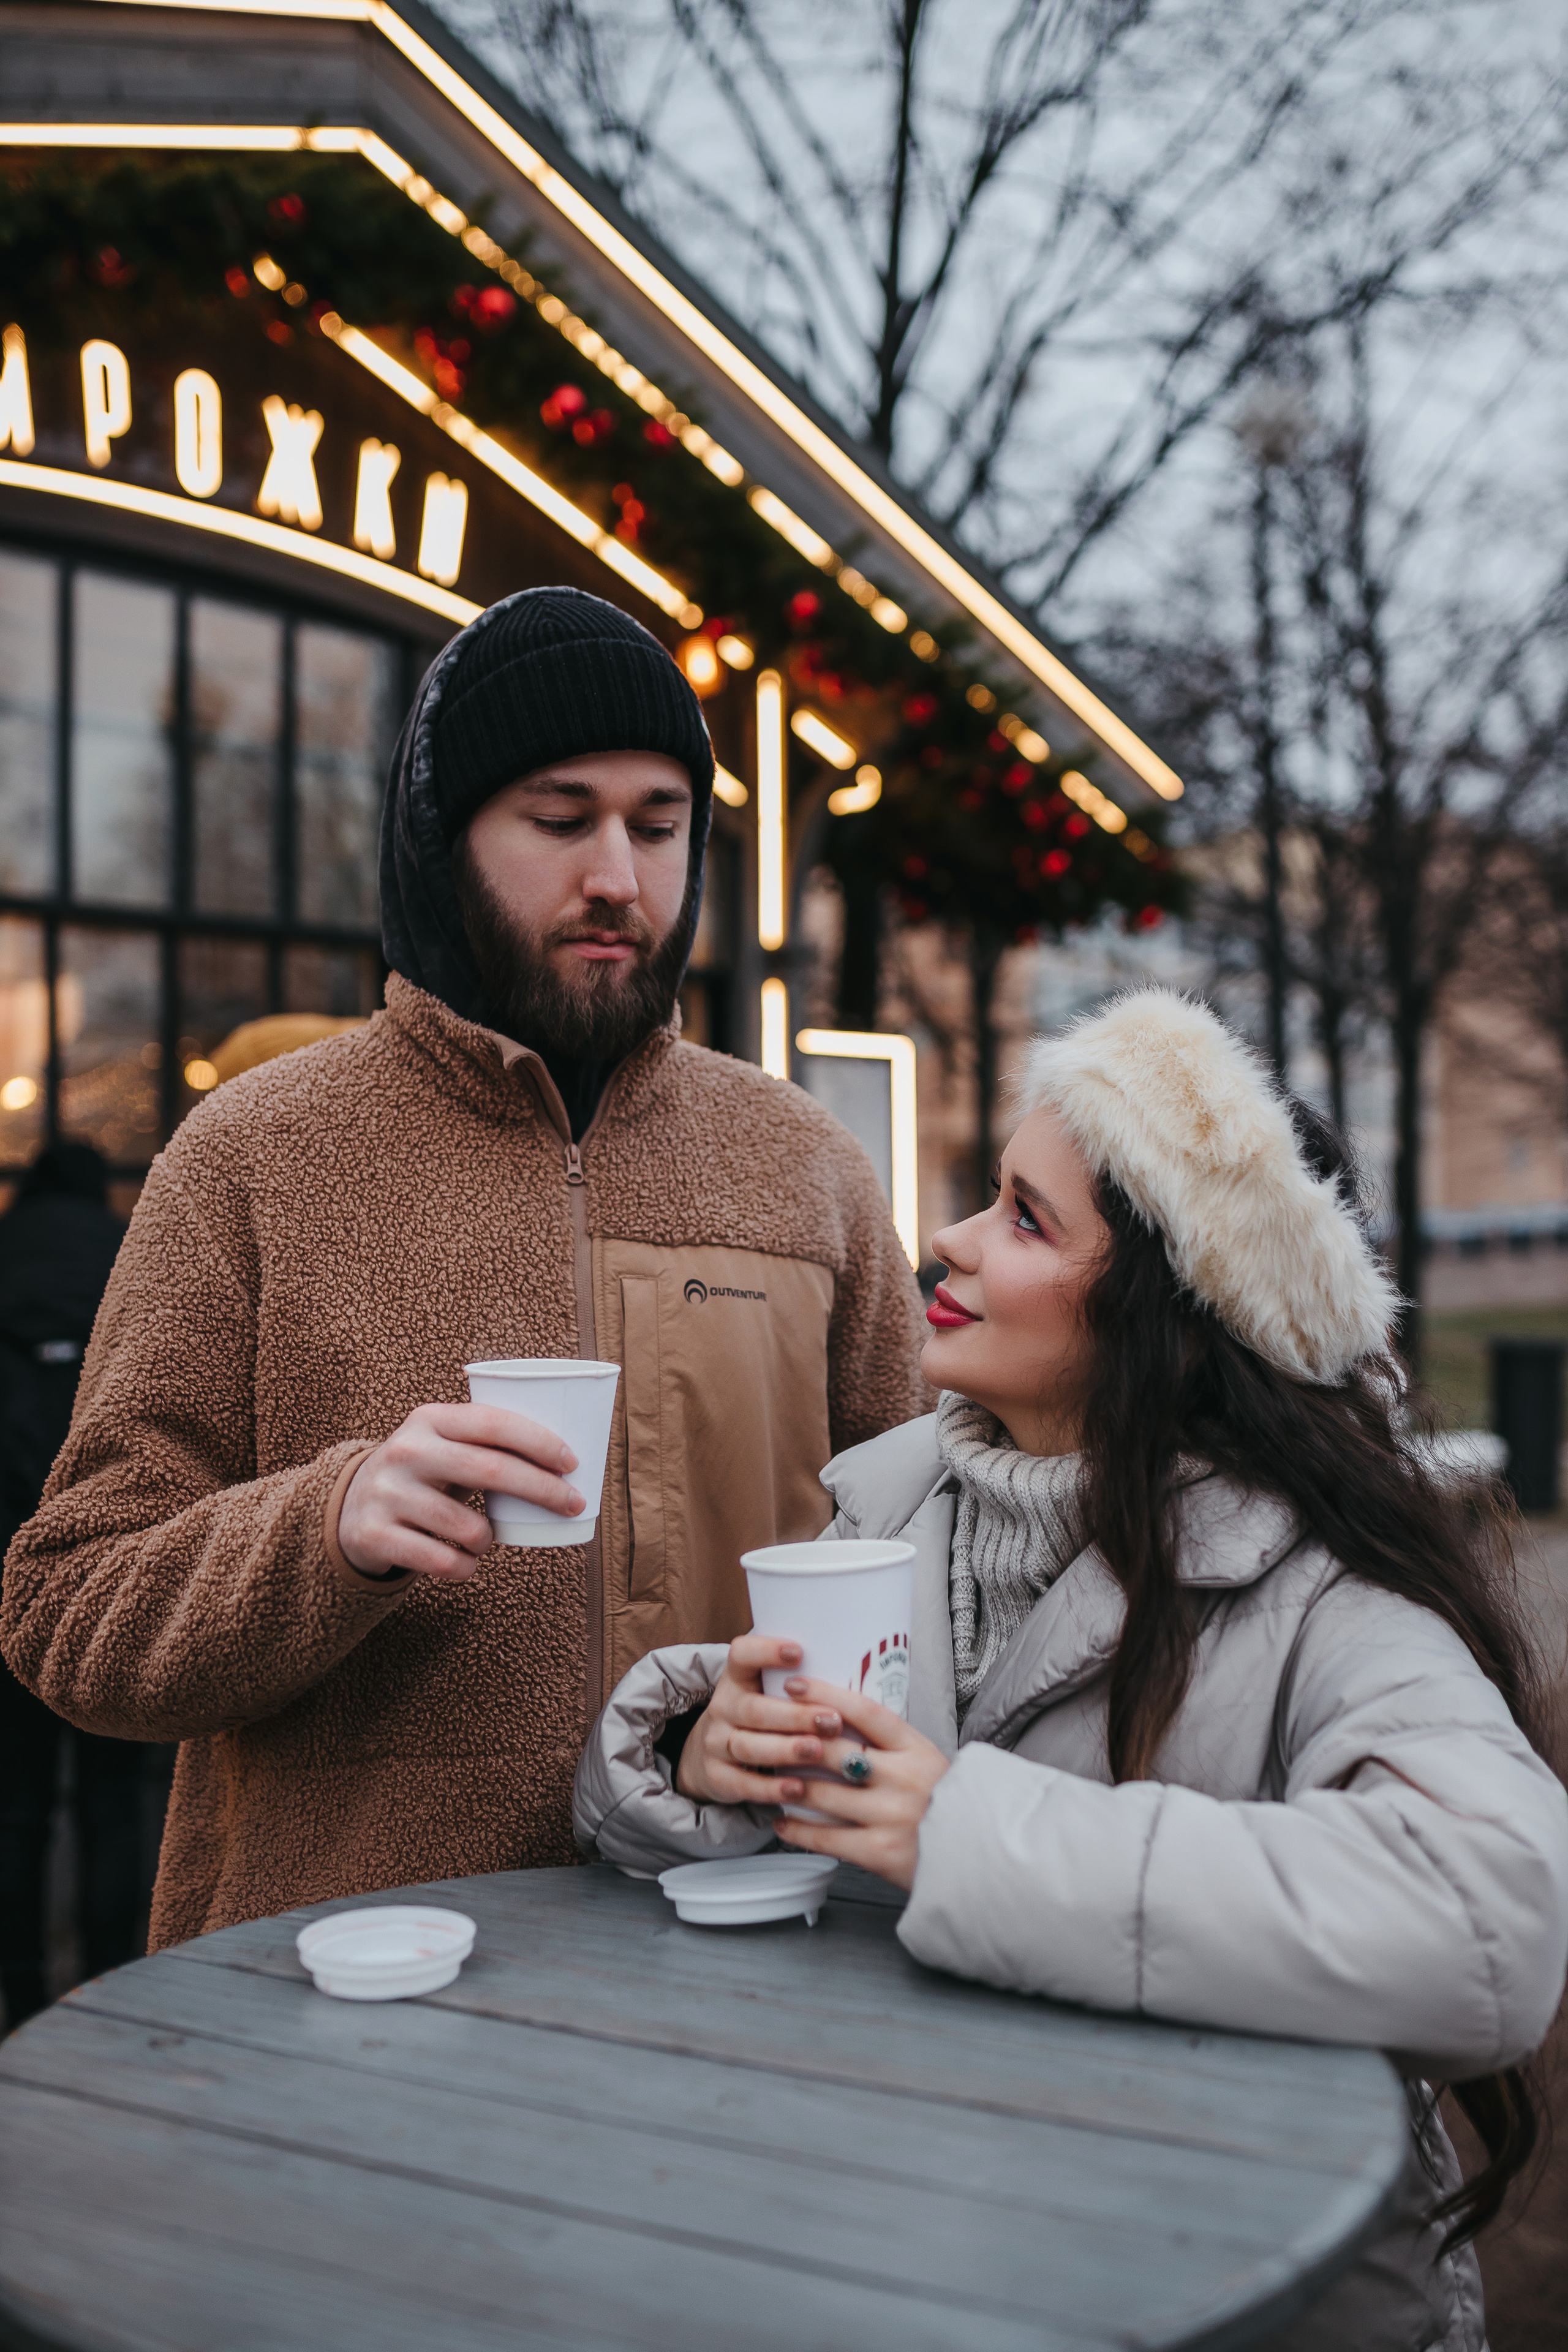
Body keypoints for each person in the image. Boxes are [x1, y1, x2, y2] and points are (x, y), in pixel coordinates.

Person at [575, 987, 1568, 2352]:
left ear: (1167, 1316)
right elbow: (803, 1811)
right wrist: (700, 1758)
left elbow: (1487, 1926)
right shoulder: (890, 1507)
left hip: (1249, 2289)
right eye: (990, 1196)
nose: (950, 1240)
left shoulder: (1328, 1580)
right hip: (944, 2251)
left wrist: (964, 1838)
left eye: (1026, 1220)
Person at [1, 587, 927, 1953]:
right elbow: (66, 1610)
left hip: (746, 1978)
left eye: (659, 826)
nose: (617, 873)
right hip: (342, 1984)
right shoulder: (255, 1153)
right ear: (443, 843)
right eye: (560, 821)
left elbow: (933, 1574)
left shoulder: (808, 1169)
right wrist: (324, 1530)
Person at [0, 1144, 139, 2028]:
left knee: (13, 1803)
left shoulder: (4, 1264)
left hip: (6, 1578)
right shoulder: (128, 1259)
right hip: (113, 1572)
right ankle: (112, 1986)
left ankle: (20, 1997)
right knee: (115, 1792)